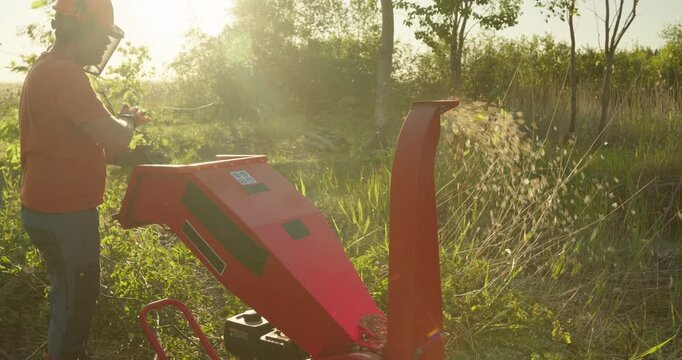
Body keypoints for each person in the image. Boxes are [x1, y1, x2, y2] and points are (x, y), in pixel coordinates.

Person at [18, 0, 149, 358]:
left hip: (42, 205)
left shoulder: (45, 68)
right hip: (66, 214)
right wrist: (130, 120)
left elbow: (71, 139)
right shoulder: (64, 73)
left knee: (66, 298)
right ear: (84, 29)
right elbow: (115, 136)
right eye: (102, 37)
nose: (103, 46)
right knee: (75, 306)